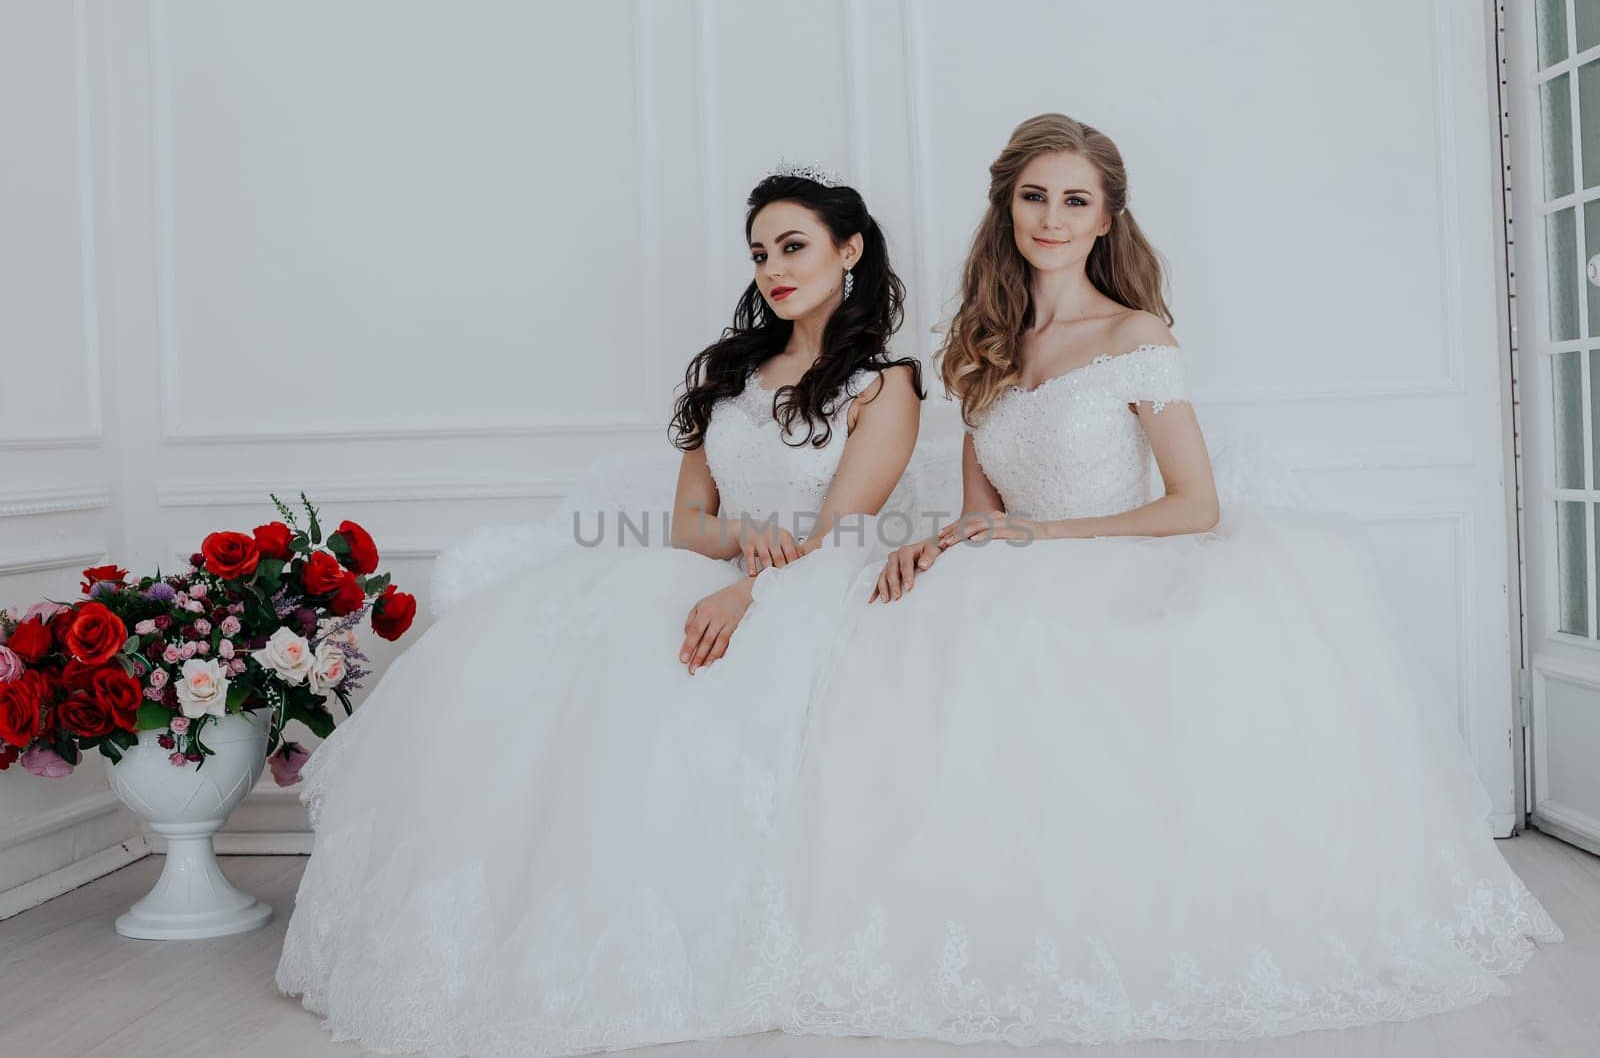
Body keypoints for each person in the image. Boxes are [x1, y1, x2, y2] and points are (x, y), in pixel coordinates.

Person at [726, 114, 1564, 1047]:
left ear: (1106, 218)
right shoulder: (984, 339)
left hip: (1123, 562)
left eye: (1074, 200)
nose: (1050, 217)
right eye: (1033, 195)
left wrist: (1035, 534)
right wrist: (949, 542)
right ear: (1007, 207)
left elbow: (1195, 503)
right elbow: (978, 508)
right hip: (1009, 567)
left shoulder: (1136, 333)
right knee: (908, 651)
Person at [274, 162, 923, 1057]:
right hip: (717, 567)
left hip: (819, 584)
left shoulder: (886, 384)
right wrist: (739, 539)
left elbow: (845, 530)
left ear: (849, 249)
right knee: (545, 651)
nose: (774, 267)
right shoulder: (728, 373)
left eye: (795, 245)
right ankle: (514, 924)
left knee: (696, 686)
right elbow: (685, 525)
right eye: (760, 252)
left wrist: (752, 589)